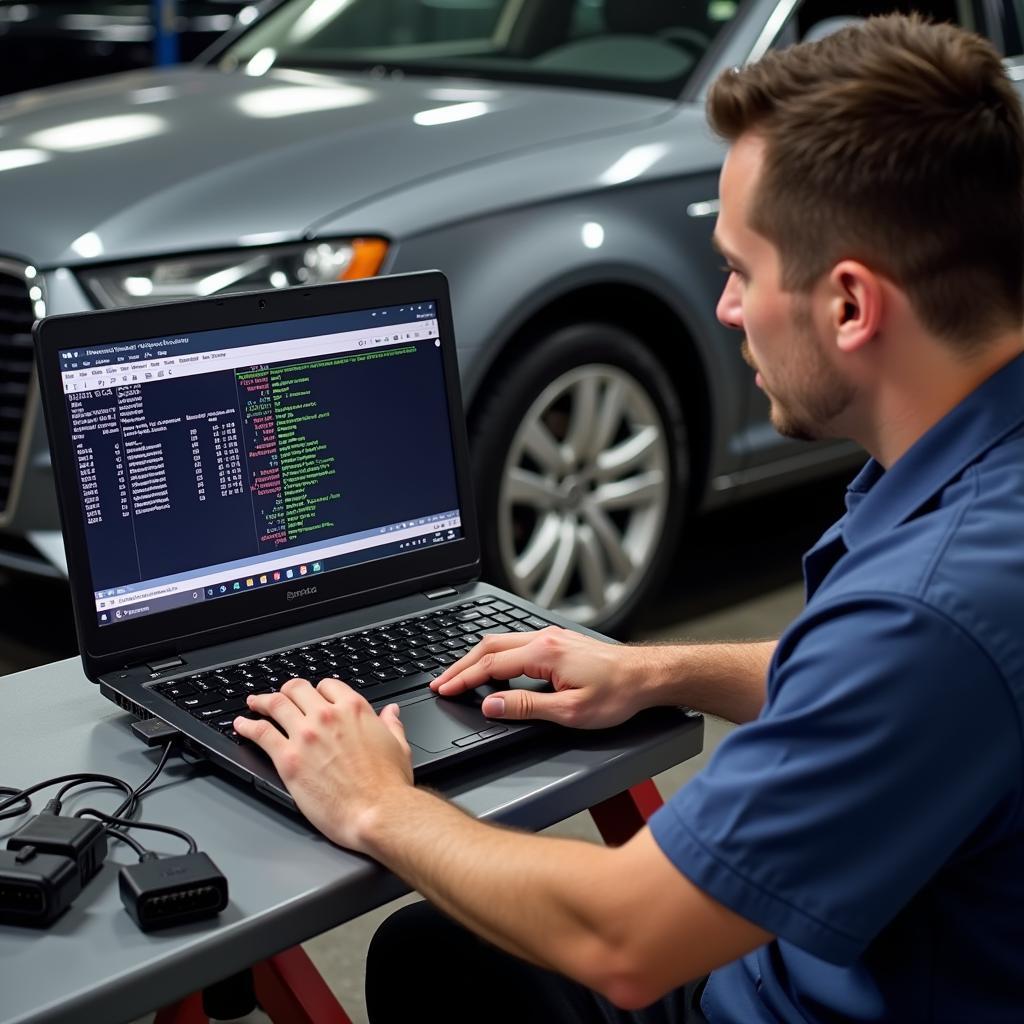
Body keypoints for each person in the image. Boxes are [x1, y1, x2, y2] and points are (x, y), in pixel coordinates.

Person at [233, 14, 1024, 1022]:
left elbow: (625, 941)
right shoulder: (976, 483)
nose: (726, 307)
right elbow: (900, 691)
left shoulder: (931, 610)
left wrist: (375, 800)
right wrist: (657, 669)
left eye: (739, 269)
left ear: (849, 306)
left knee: (433, 952)